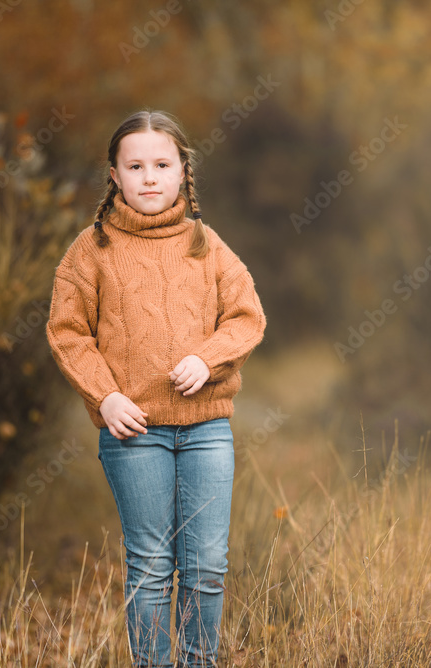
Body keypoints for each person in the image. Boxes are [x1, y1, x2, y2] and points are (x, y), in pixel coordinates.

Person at [45, 109, 267, 667]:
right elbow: (68, 333)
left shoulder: (206, 245)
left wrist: (207, 358)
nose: (149, 176)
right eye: (136, 165)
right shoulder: (89, 250)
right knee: (150, 565)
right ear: (114, 175)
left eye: (162, 164)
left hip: (207, 429)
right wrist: (106, 395)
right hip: (134, 430)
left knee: (206, 565)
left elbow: (246, 317)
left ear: (182, 171)